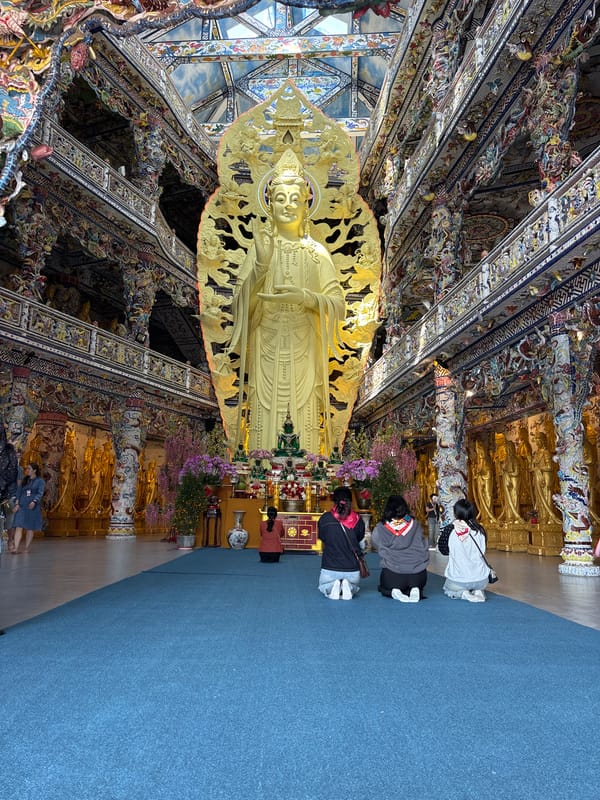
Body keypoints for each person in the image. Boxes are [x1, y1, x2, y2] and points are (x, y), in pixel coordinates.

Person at [230, 148, 345, 455]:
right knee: (263, 410)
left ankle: (309, 471)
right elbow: (239, 305)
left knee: (304, 409)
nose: (288, 205)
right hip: (266, 342)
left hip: (304, 345)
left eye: (295, 198)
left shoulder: (316, 252)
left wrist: (305, 298)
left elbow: (338, 302)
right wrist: (261, 267)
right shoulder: (259, 249)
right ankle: (257, 468)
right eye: (280, 198)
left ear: (307, 203)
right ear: (269, 204)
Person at [371, 495, 429, 603]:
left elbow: (375, 543)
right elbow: (424, 544)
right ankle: (415, 588)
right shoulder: (415, 523)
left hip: (393, 574)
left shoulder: (382, 526)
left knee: (383, 587)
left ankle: (394, 591)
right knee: (415, 583)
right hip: (418, 574)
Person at [317, 486, 365, 600]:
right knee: (355, 586)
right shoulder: (358, 519)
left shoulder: (325, 518)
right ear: (351, 500)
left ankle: (332, 587)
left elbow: (322, 538)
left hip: (330, 568)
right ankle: (349, 586)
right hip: (352, 569)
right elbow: (360, 540)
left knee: (323, 586)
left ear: (333, 500)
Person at [437, 498, 489, 603]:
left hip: (458, 579)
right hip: (482, 579)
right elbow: (482, 551)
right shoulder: (479, 529)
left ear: (456, 513)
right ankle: (478, 591)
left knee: (448, 588)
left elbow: (443, 550)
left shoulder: (450, 529)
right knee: (478, 582)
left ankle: (463, 593)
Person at [12, 463, 45, 554]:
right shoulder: (24, 480)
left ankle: (26, 548)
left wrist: (35, 501)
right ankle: (16, 547)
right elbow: (18, 493)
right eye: (26, 469)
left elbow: (40, 492)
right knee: (18, 525)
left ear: (34, 470)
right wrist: (17, 504)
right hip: (22, 505)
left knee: (30, 527)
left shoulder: (40, 481)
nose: (27, 470)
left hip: (32, 506)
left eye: (29, 469)